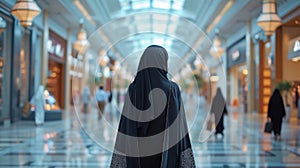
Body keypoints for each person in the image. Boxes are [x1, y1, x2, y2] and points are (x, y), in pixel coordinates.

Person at [110, 45, 195, 167]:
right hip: (165, 152)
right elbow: (179, 127)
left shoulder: (133, 89)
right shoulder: (172, 89)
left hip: (138, 153)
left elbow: (126, 125)